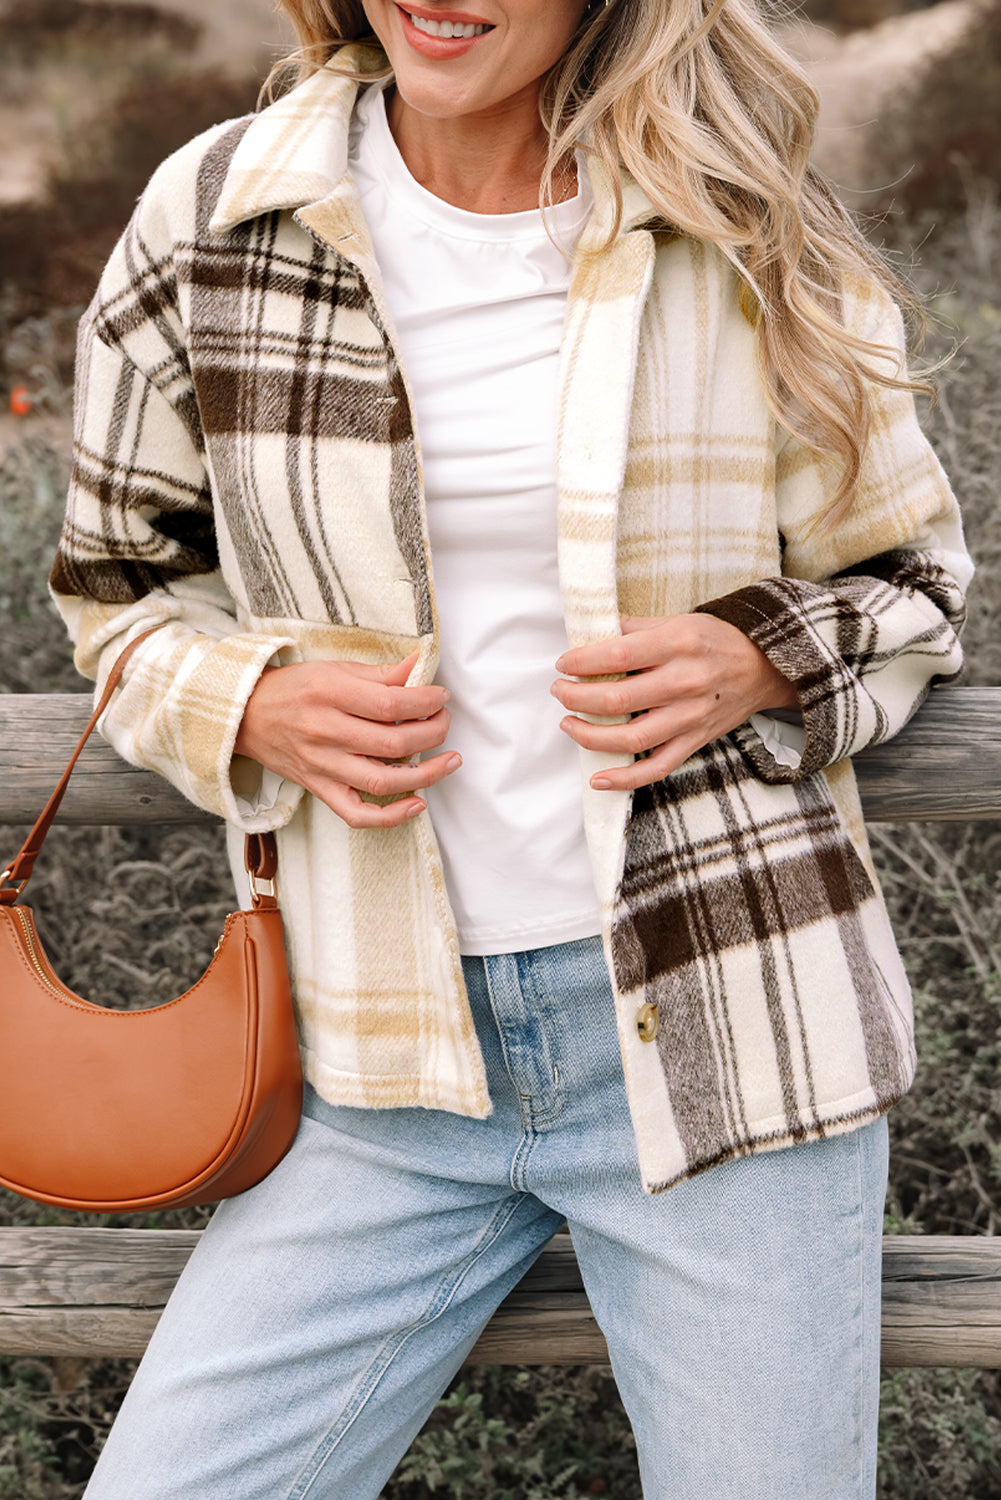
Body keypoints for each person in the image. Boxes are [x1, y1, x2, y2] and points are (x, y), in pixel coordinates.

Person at [52, 0, 971, 1495]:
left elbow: (915, 581)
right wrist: (248, 701)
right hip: (371, 1064)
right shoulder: (215, 212)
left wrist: (758, 654)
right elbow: (116, 590)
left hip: (729, 1033)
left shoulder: (739, 216)